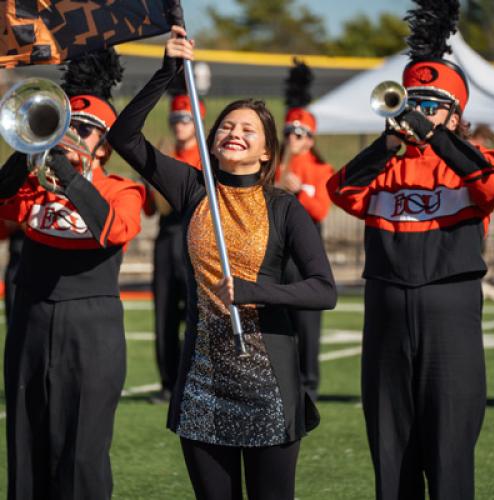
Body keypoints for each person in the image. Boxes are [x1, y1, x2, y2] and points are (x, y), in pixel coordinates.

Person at [108, 25, 336, 500]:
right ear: (214, 140)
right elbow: (124, 136)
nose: (234, 133)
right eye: (227, 127)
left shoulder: (283, 207)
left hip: (268, 385)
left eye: (247, 129)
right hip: (203, 382)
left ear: (266, 150)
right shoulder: (194, 189)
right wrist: (167, 73)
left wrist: (254, 292)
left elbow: (323, 290)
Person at [327, 2, 494, 498]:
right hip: (386, 306)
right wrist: (386, 144)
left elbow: (491, 184)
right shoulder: (385, 164)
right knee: (391, 444)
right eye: (413, 101)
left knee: (449, 446)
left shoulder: (473, 161)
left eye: (431, 103)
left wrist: (438, 139)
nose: (419, 112)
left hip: (450, 307)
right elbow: (341, 191)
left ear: (455, 113)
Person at [0, 49, 145, 499]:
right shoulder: (34, 187)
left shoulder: (122, 189)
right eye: (65, 126)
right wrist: (26, 151)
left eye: (83, 130)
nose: (70, 136)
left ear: (103, 144)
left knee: (82, 452)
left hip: (92, 326)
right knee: (25, 443)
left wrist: (72, 177)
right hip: (31, 317)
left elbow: (114, 229)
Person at [147, 92, 203, 402]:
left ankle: (196, 382)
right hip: (168, 236)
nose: (179, 125)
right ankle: (168, 382)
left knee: (197, 312)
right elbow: (151, 209)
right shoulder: (164, 155)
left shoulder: (205, 157)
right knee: (165, 314)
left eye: (185, 119)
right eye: (175, 120)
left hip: (195, 234)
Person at [276, 102, 333, 401]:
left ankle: (309, 384)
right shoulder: (275, 167)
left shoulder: (321, 170)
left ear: (310, 139)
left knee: (307, 323)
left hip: (306, 253)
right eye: (288, 133)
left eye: (299, 134)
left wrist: (300, 191)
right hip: (278, 252)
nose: (292, 139)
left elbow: (321, 209)